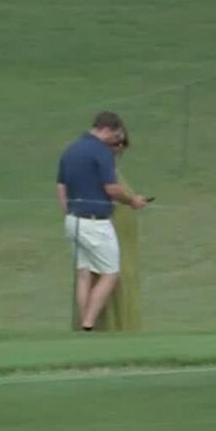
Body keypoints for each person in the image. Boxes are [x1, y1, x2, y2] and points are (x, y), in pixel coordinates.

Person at [56, 112, 147, 331]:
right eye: (115, 137)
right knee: (110, 274)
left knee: (84, 273)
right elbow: (112, 188)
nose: (115, 143)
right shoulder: (100, 151)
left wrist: (68, 210)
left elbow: (61, 186)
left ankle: (84, 325)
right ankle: (89, 322)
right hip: (96, 222)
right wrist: (132, 200)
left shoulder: (71, 149)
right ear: (107, 130)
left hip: (73, 221)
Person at [96, 128, 144, 332]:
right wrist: (132, 200)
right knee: (110, 276)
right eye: (115, 143)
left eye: (123, 143)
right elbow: (112, 193)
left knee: (124, 277)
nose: (120, 148)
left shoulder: (114, 170)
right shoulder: (103, 169)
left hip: (125, 234)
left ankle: (124, 326)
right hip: (109, 229)